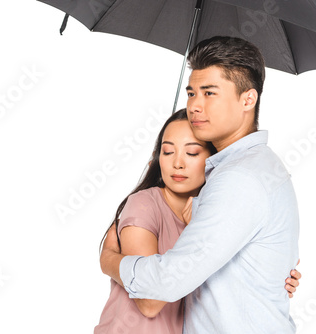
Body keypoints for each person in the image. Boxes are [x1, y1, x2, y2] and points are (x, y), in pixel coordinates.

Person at [100, 36, 300, 333]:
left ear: (248, 99)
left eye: (209, 93)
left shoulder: (240, 178)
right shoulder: (247, 168)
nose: (195, 105)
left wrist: (110, 261)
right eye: (192, 93)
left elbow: (165, 284)